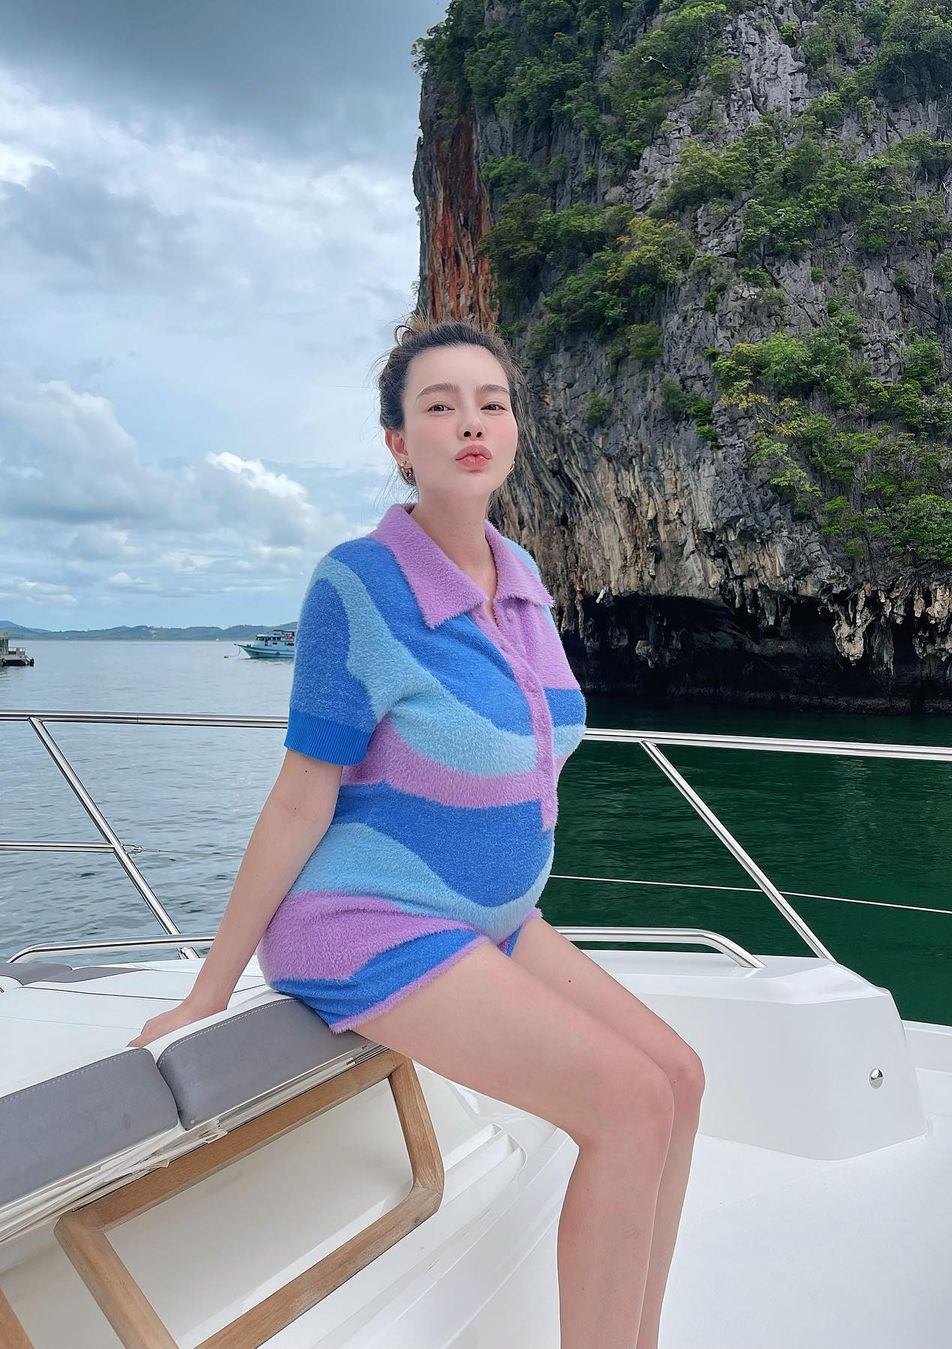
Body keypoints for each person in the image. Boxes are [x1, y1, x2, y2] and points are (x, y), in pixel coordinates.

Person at [129, 315, 705, 1349]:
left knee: (680, 1079)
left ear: (515, 428)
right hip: (368, 919)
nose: (470, 423)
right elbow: (301, 796)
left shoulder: (521, 579)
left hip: (491, 918)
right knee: (627, 1104)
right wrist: (209, 989)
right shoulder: (358, 583)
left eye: (491, 403)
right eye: (440, 406)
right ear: (400, 441)